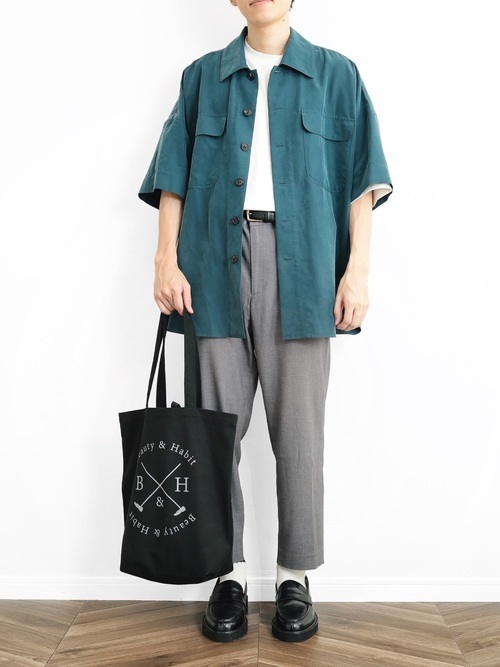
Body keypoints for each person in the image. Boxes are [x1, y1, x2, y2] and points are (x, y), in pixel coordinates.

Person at [138, 0, 392, 643]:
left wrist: (357, 272)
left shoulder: (337, 75)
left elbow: (363, 183)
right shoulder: (203, 76)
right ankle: (224, 576)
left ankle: (293, 578)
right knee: (213, 432)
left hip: (304, 269)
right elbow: (173, 177)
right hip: (212, 265)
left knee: (300, 434)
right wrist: (166, 259)